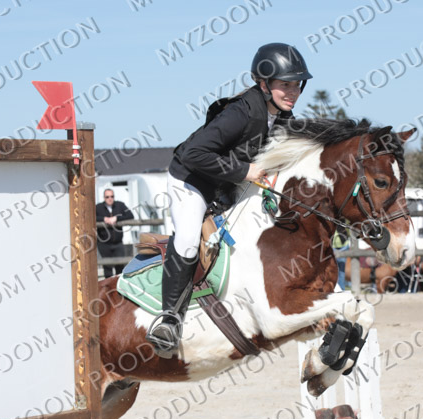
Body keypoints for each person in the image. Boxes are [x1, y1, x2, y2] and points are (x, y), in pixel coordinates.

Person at [146, 42, 313, 358]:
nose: (293, 92)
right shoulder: (240, 113)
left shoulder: (284, 118)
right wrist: (245, 170)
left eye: (297, 85)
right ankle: (169, 320)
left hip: (229, 184)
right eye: (285, 84)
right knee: (188, 241)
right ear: (264, 84)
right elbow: (193, 153)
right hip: (191, 180)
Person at [96, 188, 134, 279]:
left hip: (118, 242)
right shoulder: (98, 207)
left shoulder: (120, 205)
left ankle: (118, 286)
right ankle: (108, 286)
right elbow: (91, 217)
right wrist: (104, 219)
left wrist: (117, 218)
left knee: (120, 267)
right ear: (104, 198)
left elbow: (130, 215)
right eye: (107, 197)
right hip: (104, 243)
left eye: (112, 196)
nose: (110, 199)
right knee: (107, 268)